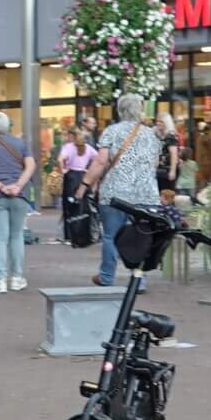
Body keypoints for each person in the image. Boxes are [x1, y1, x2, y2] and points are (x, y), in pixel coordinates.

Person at [84, 93, 163, 287]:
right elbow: (154, 163)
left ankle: (107, 276)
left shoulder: (111, 131)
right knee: (142, 236)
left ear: (120, 110)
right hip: (145, 193)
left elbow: (101, 161)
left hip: (116, 192)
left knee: (111, 235)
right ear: (140, 110)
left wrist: (85, 183)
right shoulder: (151, 134)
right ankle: (139, 280)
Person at [0, 110, 36, 294]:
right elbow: (31, 166)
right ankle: (17, 278)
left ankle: (0, 280)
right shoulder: (22, 144)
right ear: (8, 126)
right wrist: (18, 185)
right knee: (17, 235)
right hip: (19, 195)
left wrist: (1, 187)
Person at [58, 125, 99, 247]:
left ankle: (69, 234)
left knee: (69, 205)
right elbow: (98, 159)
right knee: (83, 205)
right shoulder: (87, 147)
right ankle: (84, 232)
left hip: (71, 176)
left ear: (71, 135)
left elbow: (60, 159)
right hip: (83, 176)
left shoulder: (68, 147)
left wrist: (63, 170)